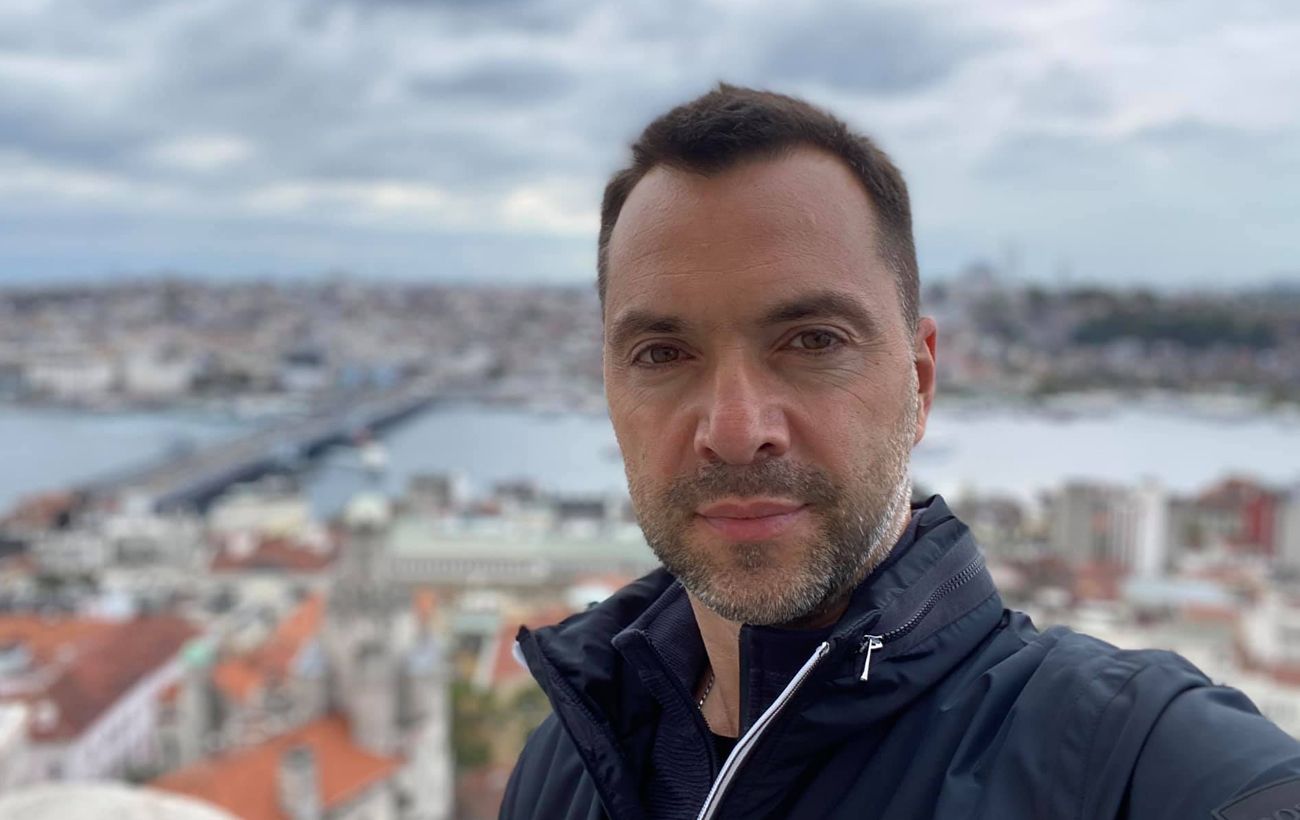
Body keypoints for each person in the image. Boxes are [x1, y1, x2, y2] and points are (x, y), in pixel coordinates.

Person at [500, 84, 1300, 820]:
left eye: (812, 341)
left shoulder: (1126, 758)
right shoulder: (564, 765)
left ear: (919, 381)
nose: (737, 430)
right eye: (662, 354)